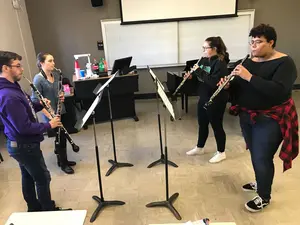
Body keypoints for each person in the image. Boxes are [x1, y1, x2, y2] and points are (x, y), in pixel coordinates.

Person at [219, 24, 298, 212]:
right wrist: (229, 87)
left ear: (271, 43)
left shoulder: (285, 63)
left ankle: (264, 196)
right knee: (255, 152)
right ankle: (260, 181)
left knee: (262, 156)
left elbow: (278, 92)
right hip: (248, 115)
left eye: (259, 42)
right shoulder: (247, 61)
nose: (253, 46)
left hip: (272, 117)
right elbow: (239, 90)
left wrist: (249, 77)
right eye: (251, 42)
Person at [0, 51, 68, 211]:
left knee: (28, 177)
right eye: (17, 66)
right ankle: (47, 210)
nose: (22, 69)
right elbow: (23, 127)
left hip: (22, 144)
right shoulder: (8, 95)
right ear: (5, 68)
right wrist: (48, 125)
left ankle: (34, 208)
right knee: (43, 178)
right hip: (24, 145)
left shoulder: (14, 87)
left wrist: (40, 104)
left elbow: (27, 108)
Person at [185, 36, 230, 163]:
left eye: (206, 48)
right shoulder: (204, 60)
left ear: (214, 49)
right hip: (204, 96)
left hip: (216, 98)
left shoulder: (220, 63)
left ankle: (221, 152)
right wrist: (190, 76)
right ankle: (200, 147)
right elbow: (199, 78)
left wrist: (199, 71)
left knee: (216, 125)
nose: (203, 50)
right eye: (203, 47)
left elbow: (213, 82)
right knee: (202, 123)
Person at [31, 52, 76, 174]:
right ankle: (63, 164)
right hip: (50, 115)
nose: (53, 63)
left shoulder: (55, 75)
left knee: (63, 138)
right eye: (50, 61)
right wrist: (50, 117)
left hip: (61, 110)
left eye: (53, 60)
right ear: (41, 63)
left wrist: (62, 96)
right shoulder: (38, 79)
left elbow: (59, 90)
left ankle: (62, 160)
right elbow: (35, 100)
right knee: (60, 138)